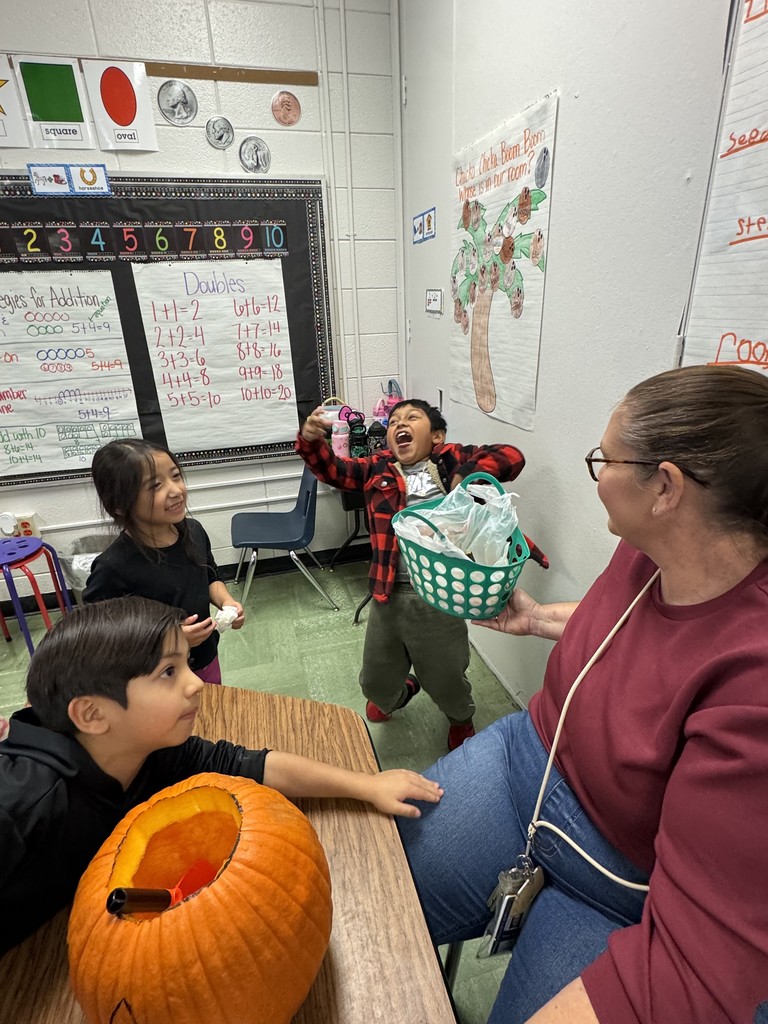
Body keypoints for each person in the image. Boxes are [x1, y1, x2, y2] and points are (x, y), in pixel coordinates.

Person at [398, 365, 768, 1024]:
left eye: (606, 460)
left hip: (617, 882)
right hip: (529, 760)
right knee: (378, 890)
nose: (597, 477)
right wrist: (539, 619)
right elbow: (631, 630)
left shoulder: (754, 678)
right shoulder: (655, 545)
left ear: (665, 488)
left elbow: (697, 970)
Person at [0, 595, 443, 955]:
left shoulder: (151, 752)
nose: (194, 684)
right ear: (93, 714)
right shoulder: (22, 804)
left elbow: (251, 765)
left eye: (188, 665)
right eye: (168, 673)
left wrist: (366, 785)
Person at [297, 399, 528, 751]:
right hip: (387, 592)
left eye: (412, 418)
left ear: (437, 435)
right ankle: (401, 690)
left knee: (446, 677)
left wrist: (466, 473)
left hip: (440, 596)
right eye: (393, 422)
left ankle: (460, 718)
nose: (399, 424)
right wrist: (311, 441)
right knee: (374, 681)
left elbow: (511, 455)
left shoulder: (449, 459)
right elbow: (334, 472)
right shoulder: (378, 467)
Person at [83, 438, 242, 685]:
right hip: (156, 676)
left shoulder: (194, 531)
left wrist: (226, 601)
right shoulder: (112, 567)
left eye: (176, 475)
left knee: (209, 716)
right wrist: (170, 641)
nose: (176, 490)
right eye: (155, 485)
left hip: (205, 659)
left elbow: (210, 576)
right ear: (119, 506)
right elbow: (102, 638)